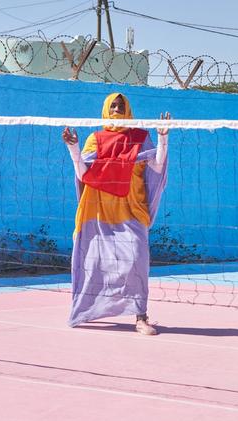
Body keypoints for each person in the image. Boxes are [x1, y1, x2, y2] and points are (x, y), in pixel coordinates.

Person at [62, 93, 169, 334]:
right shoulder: (95, 138)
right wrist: (73, 148)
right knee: (93, 262)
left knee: (136, 260)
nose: (117, 108)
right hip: (97, 209)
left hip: (131, 208)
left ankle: (141, 316)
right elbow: (82, 173)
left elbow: (157, 166)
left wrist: (163, 139)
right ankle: (86, 309)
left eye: (121, 105)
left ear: (129, 109)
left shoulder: (140, 137)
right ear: (105, 109)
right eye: (113, 105)